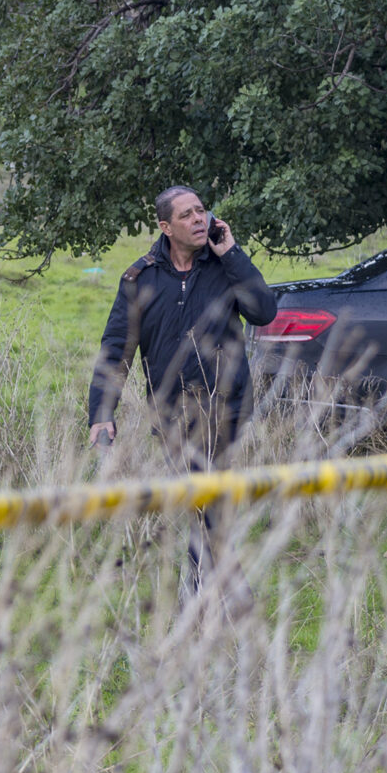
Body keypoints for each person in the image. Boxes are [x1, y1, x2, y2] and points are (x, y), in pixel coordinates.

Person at [86, 186, 278, 596]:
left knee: (213, 502)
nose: (198, 219)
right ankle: (217, 585)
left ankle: (203, 590)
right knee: (199, 503)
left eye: (201, 211)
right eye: (187, 214)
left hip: (227, 408)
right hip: (171, 413)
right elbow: (117, 347)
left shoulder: (225, 267)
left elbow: (263, 311)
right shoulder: (141, 277)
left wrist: (232, 254)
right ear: (165, 226)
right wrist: (102, 412)